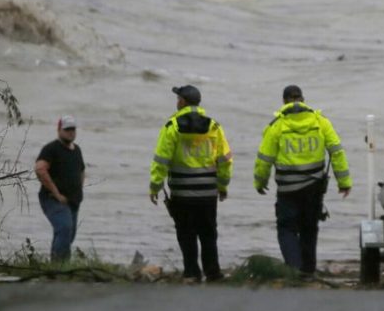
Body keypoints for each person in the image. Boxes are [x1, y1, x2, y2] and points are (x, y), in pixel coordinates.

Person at [254, 84, 352, 277]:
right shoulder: (320, 122)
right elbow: (336, 151)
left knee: (286, 228)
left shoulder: (276, 126)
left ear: (284, 101)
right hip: (313, 187)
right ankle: (308, 270)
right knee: (309, 228)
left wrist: (260, 182)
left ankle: (294, 267)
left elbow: (264, 159)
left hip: (287, 189)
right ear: (303, 99)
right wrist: (344, 182)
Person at [149, 85, 232, 283]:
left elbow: (161, 160)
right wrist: (222, 186)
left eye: (178, 99)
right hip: (207, 192)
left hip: (182, 192)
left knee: (186, 233)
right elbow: (225, 159)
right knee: (208, 233)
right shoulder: (214, 126)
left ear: (183, 102)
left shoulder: (172, 126)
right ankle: (213, 273)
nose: (177, 102)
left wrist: (155, 186)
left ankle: (192, 272)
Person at [35, 115, 86, 262]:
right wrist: (56, 193)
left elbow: (81, 170)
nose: (70, 132)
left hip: (73, 201)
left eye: (73, 129)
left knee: (68, 234)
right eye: (67, 129)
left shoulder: (77, 150)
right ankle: (59, 266)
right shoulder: (51, 149)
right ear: (59, 130)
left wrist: (79, 190)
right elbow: (40, 169)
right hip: (53, 199)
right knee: (64, 227)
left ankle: (58, 265)